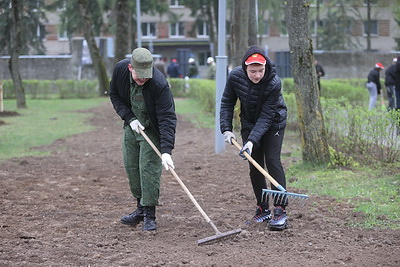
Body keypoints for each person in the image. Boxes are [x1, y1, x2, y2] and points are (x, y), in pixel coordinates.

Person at [220, 45, 288, 231]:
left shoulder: (273, 82)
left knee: (272, 161)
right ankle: (263, 208)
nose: (257, 75)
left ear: (265, 67)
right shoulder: (235, 77)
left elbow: (266, 117)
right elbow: (227, 102)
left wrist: (250, 141)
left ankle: (280, 210)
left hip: (274, 122)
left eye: (260, 70)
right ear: (245, 68)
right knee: (254, 165)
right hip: (249, 123)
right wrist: (226, 129)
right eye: (252, 71)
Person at [109, 47, 177, 231]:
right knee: (132, 168)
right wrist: (129, 118)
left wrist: (166, 151)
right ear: (130, 68)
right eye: (139, 77)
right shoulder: (120, 71)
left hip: (151, 130)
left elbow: (167, 118)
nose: (143, 80)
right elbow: (114, 95)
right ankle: (140, 208)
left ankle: (150, 215)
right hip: (132, 127)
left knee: (148, 170)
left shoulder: (159, 84)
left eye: (146, 77)